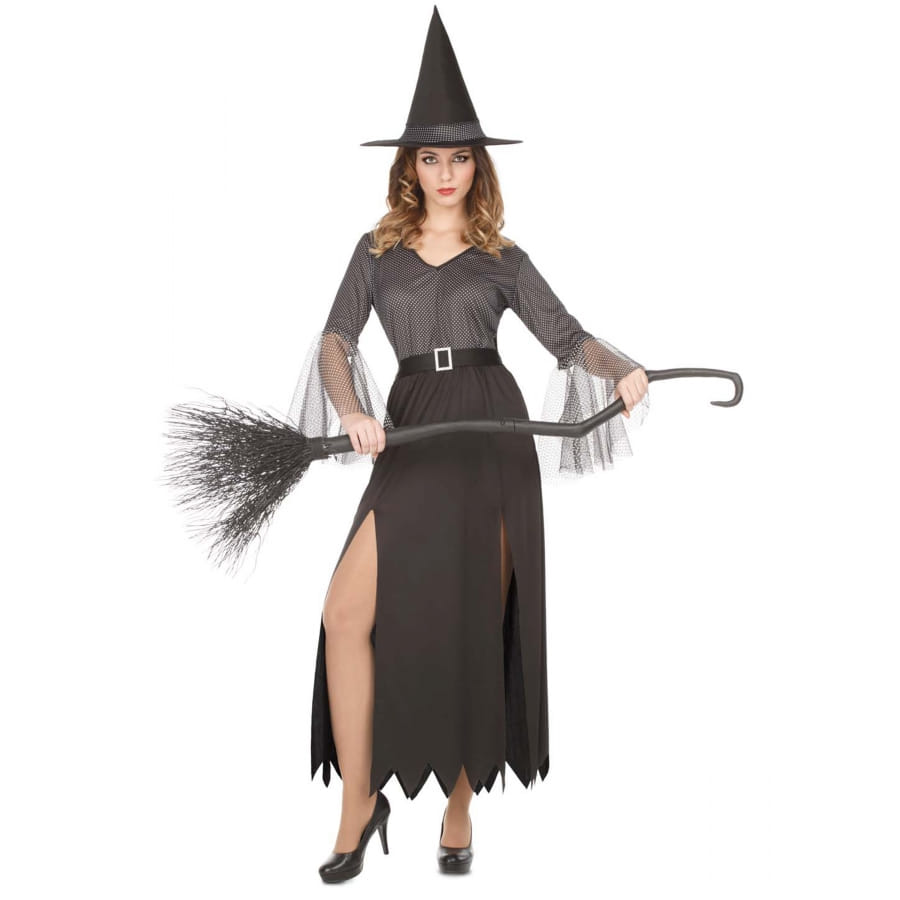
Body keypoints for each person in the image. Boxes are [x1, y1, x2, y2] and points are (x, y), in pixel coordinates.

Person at [288, 7, 650, 883]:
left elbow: (569, 339)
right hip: (414, 430)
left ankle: (458, 809)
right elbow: (337, 341)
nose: (445, 173)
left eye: (459, 158)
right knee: (346, 614)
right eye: (429, 158)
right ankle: (360, 803)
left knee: (470, 626)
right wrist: (353, 411)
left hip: (490, 433)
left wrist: (624, 368)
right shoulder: (376, 252)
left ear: (477, 166)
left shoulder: (502, 257)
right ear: (408, 167)